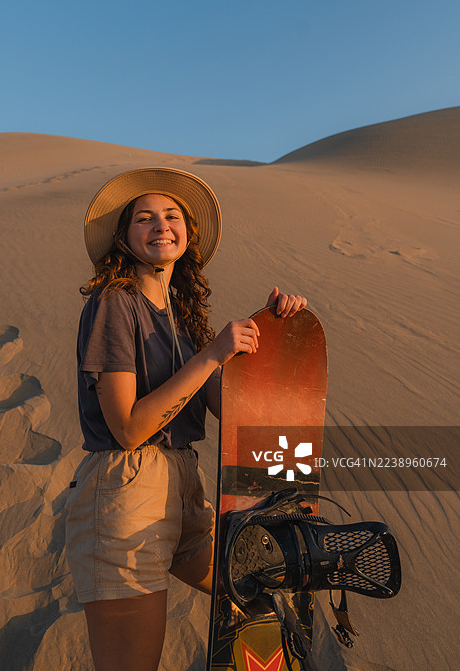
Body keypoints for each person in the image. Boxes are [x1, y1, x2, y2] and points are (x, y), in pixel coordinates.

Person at [65, 167, 307, 671]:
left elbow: (225, 405)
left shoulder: (180, 312)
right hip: (123, 491)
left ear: (188, 234)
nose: (161, 225)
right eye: (144, 218)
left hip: (183, 483)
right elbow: (128, 429)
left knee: (250, 580)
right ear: (124, 237)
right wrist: (213, 353)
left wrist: (273, 329)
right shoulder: (116, 303)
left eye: (172, 216)